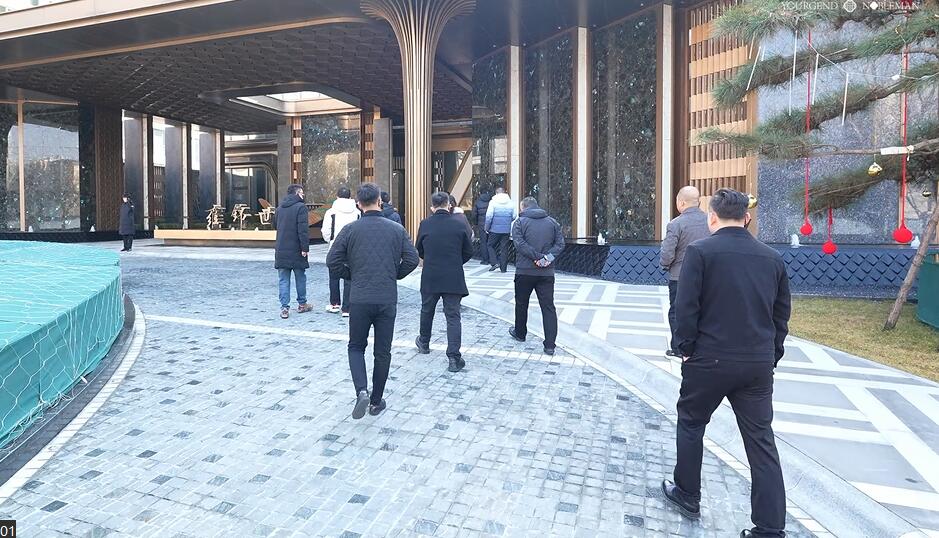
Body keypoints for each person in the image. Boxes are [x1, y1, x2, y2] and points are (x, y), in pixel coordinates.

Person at [662, 189, 791, 538]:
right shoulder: (772, 258)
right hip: (756, 364)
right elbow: (781, 315)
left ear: (712, 217)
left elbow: (686, 307)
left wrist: (684, 348)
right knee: (761, 442)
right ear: (746, 218)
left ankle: (687, 494)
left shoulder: (700, 252)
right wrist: (772, 355)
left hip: (708, 358)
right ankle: (770, 528)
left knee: (691, 423)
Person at [326, 182, 419, 419]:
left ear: (359, 204)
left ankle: (361, 391)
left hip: (359, 298)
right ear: (380, 201)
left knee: (356, 346)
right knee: (382, 351)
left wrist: (352, 275)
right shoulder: (396, 229)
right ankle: (376, 401)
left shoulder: (350, 230)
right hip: (386, 298)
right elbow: (412, 258)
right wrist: (393, 274)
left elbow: (332, 261)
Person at [416, 192, 474, 372]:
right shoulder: (459, 224)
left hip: (431, 274)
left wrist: (431, 259)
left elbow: (419, 249)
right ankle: (454, 358)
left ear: (432, 206)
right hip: (453, 275)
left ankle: (424, 342)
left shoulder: (425, 224)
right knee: (453, 316)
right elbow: (468, 251)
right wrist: (455, 262)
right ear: (449, 205)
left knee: (427, 310)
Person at [508, 197, 564, 355]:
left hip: (524, 271)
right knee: (548, 307)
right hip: (546, 272)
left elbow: (519, 244)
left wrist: (537, 257)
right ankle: (550, 345)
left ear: (523, 207)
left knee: (521, 303)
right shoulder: (552, 222)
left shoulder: (519, 222)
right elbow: (560, 244)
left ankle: (520, 333)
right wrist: (546, 258)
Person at [660, 186, 711, 357]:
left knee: (677, 312)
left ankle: (678, 348)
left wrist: (666, 265)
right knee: (704, 310)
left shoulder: (676, 224)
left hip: (679, 276)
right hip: (706, 276)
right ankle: (702, 345)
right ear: (699, 202)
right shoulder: (710, 221)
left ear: (681, 203)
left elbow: (667, 253)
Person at [273, 184, 312, 319]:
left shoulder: (279, 208)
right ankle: (302, 304)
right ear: (297, 193)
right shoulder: (301, 208)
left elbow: (275, 225)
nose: (303, 195)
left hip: (281, 248)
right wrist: (305, 248)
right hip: (296, 249)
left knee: (283, 279)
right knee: (300, 277)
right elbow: (303, 230)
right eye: (302, 193)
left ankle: (284, 308)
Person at [321, 186, 360, 316]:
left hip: (335, 247)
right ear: (350, 197)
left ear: (337, 196)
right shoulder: (357, 212)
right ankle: (347, 308)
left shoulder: (331, 212)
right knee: (349, 277)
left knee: (333, 276)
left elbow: (326, 231)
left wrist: (331, 240)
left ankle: (334, 303)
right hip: (352, 248)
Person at [484, 186, 517, 273]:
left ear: (496, 193)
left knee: (490, 245)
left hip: (494, 229)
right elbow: (514, 216)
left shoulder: (493, 202)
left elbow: (489, 216)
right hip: (506, 229)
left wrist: (487, 227)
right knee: (504, 248)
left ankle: (494, 262)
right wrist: (507, 221)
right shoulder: (511, 203)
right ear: (505, 192)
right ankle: (503, 269)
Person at [473, 190, 492, 265]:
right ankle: (492, 259)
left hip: (481, 224)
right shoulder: (491, 202)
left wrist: (475, 223)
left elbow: (474, 214)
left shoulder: (477, 202)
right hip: (491, 224)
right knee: (490, 242)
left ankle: (485, 260)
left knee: (483, 242)